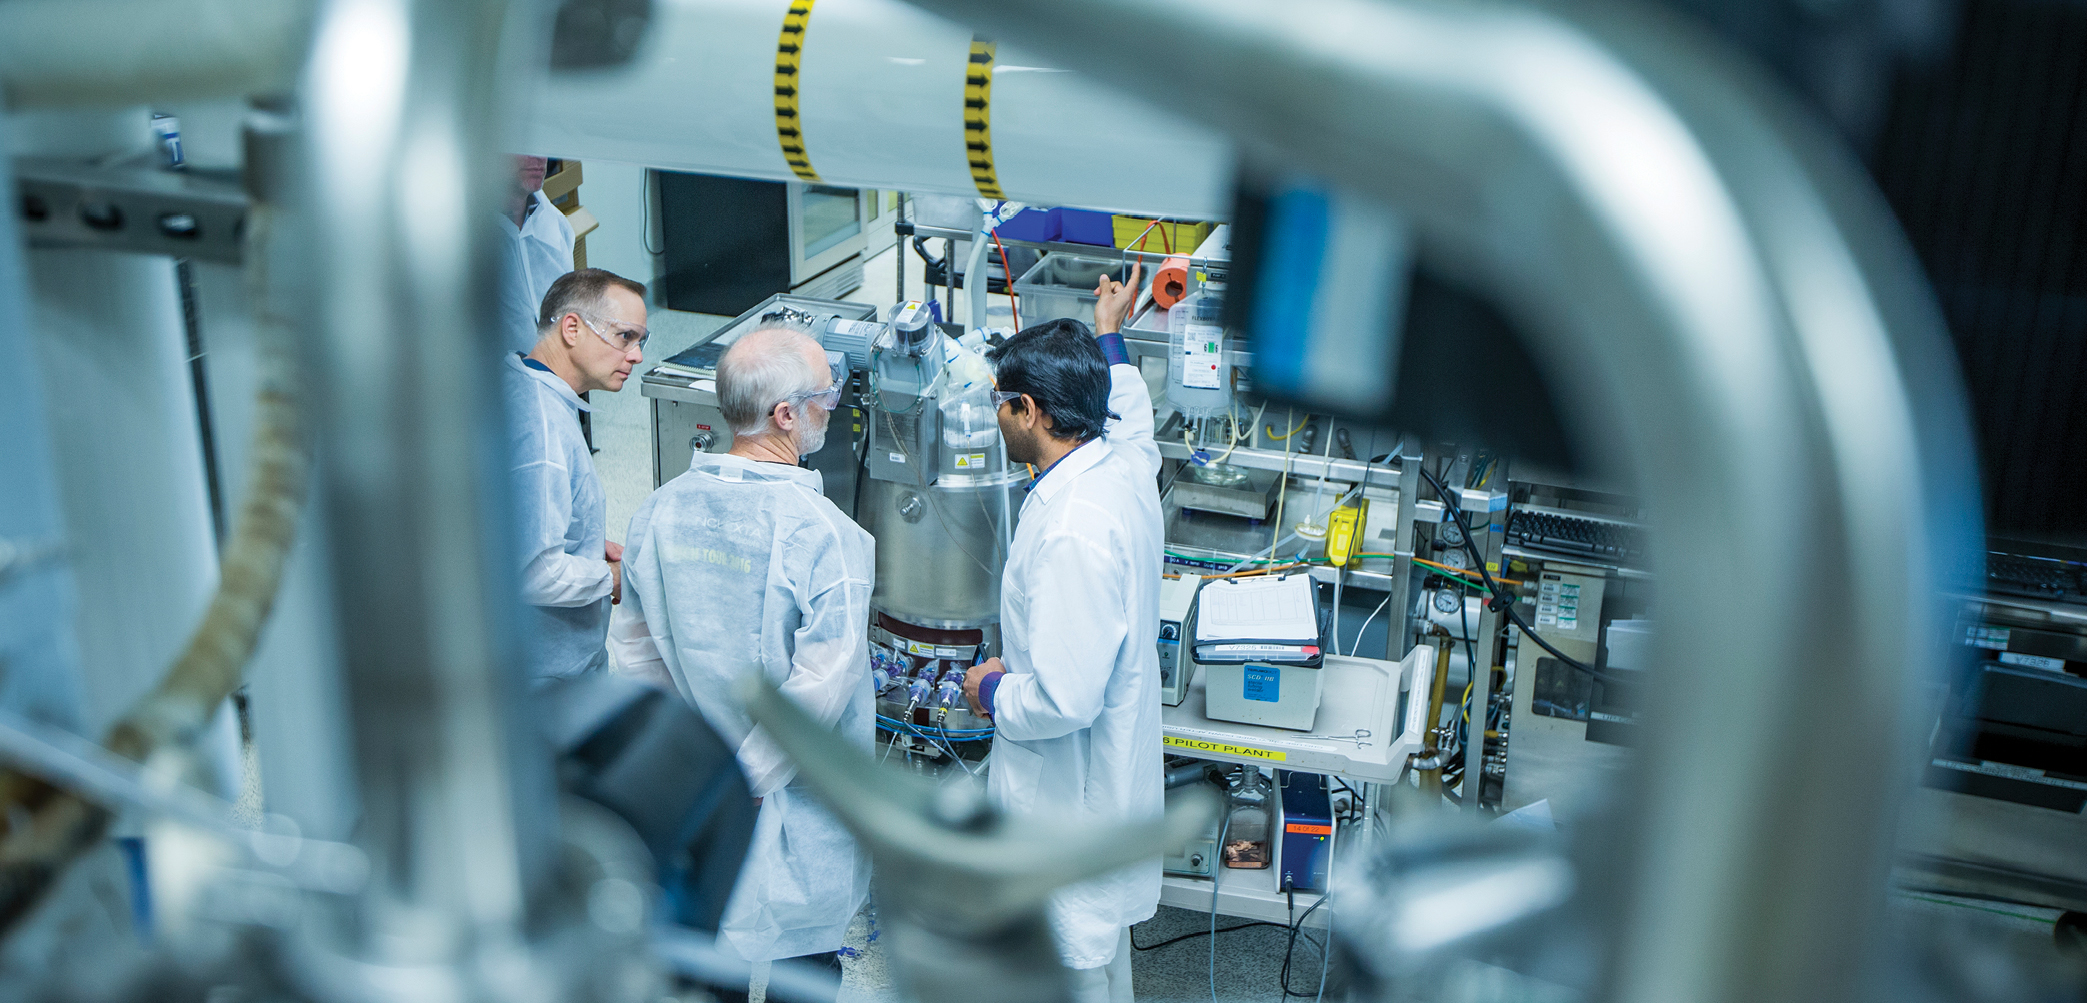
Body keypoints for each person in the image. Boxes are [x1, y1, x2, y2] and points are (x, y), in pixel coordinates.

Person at [606, 325, 872, 1003]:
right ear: (786, 414)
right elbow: (821, 688)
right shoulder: (828, 538)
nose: (832, 405)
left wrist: (693, 772)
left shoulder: (657, 512)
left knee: (705, 960)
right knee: (799, 975)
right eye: (824, 395)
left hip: (694, 798)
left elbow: (635, 658)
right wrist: (746, 777)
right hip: (795, 808)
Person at [962, 263, 1163, 1003]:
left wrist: (993, 690)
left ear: (1027, 409)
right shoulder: (1122, 467)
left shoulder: (1073, 529)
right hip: (1110, 778)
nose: (995, 419)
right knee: (1101, 957)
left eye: (999, 406)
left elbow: (1062, 701)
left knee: (1066, 962)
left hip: (1069, 793)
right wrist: (1108, 335)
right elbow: (1134, 415)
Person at [506, 267, 649, 680]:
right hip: (548, 678)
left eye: (642, 341)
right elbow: (536, 573)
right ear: (572, 328)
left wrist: (582, 536)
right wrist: (612, 577)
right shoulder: (545, 430)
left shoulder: (519, 380)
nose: (637, 355)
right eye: (626, 336)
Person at [497, 154, 578, 354]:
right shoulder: (463, 239)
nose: (539, 157)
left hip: (557, 372)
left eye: (543, 145)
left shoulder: (557, 225)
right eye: (525, 145)